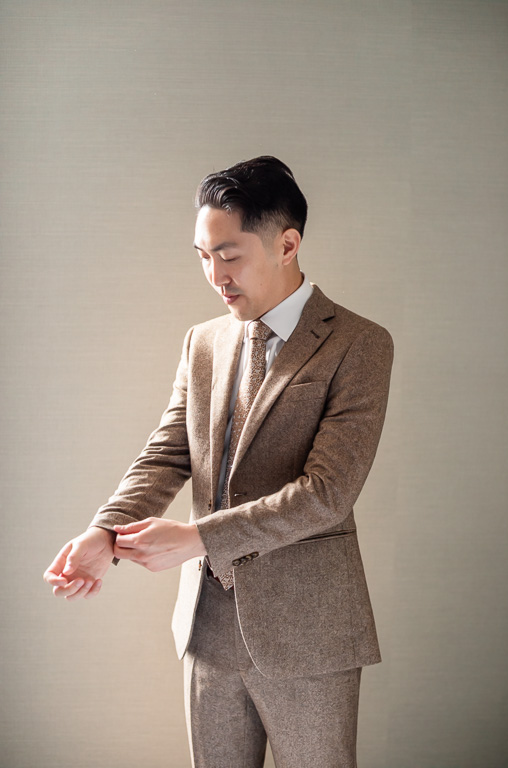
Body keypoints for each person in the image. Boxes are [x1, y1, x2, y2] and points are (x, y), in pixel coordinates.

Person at [44, 156, 393, 768]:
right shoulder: (202, 341)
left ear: (287, 244)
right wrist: (106, 531)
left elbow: (327, 493)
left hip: (308, 630)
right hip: (205, 628)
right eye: (203, 256)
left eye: (228, 255)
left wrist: (198, 537)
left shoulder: (359, 344)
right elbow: (167, 453)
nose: (214, 275)